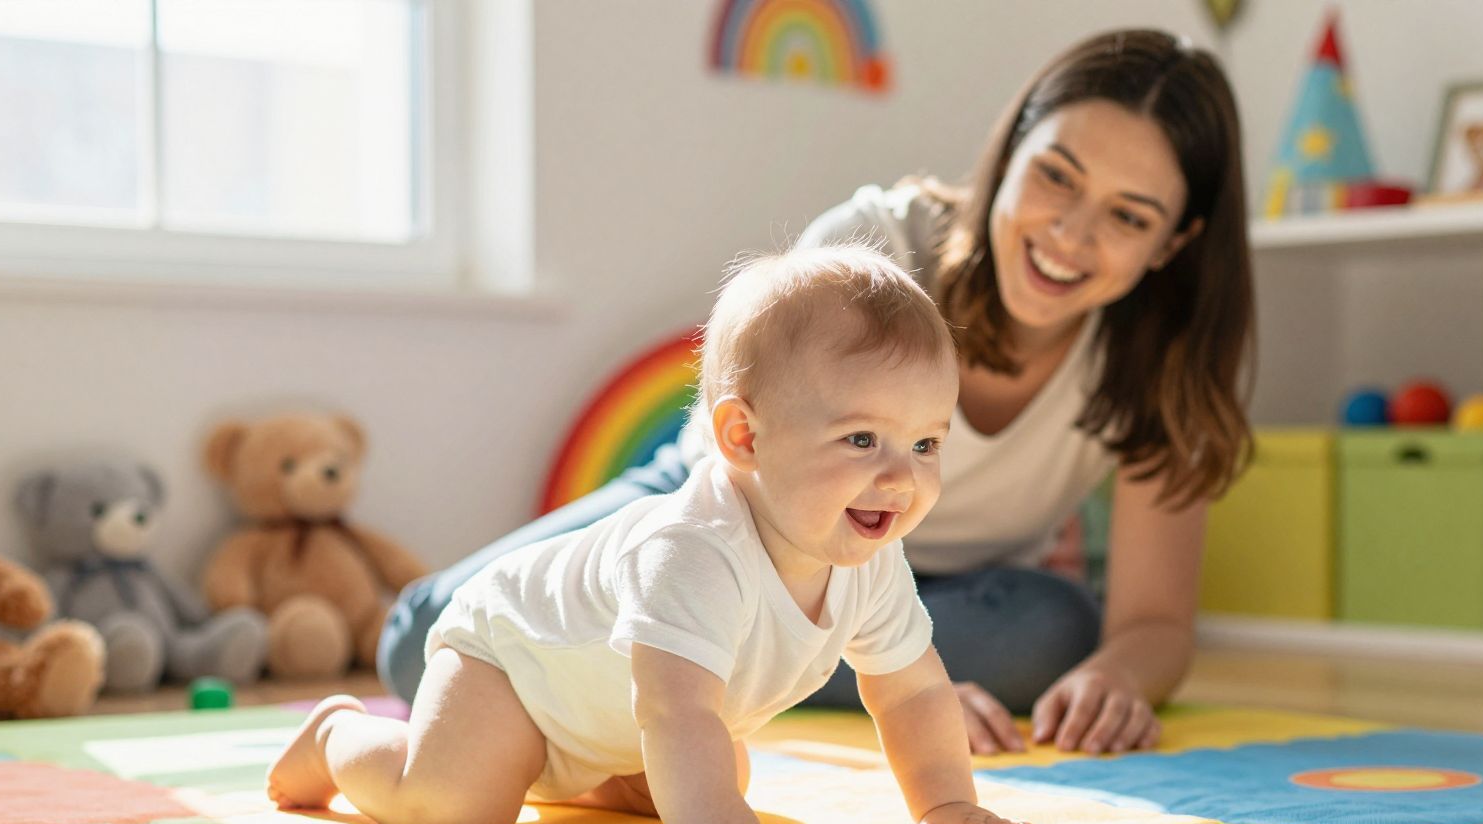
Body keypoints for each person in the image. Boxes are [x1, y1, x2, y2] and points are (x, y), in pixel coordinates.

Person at [379, 28, 1255, 758]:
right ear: (1009, 151)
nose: (1070, 231)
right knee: (428, 643)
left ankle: (755, 664)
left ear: (1174, 242)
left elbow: (1154, 621)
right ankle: (782, 660)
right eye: (1056, 174)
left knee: (1057, 631)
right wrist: (911, 681)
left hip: (931, 586)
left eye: (1128, 216)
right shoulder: (877, 249)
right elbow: (747, 474)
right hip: (732, 521)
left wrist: (1114, 678)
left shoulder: (1161, 362)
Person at [269, 247, 1043, 824]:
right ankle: (337, 736)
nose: (901, 479)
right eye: (862, 440)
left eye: (926, 445)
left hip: (610, 713)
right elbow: (674, 713)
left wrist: (947, 802)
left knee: (714, 770)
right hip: (511, 665)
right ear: (743, 437)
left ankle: (595, 777)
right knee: (456, 807)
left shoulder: (868, 554)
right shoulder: (694, 550)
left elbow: (912, 692)